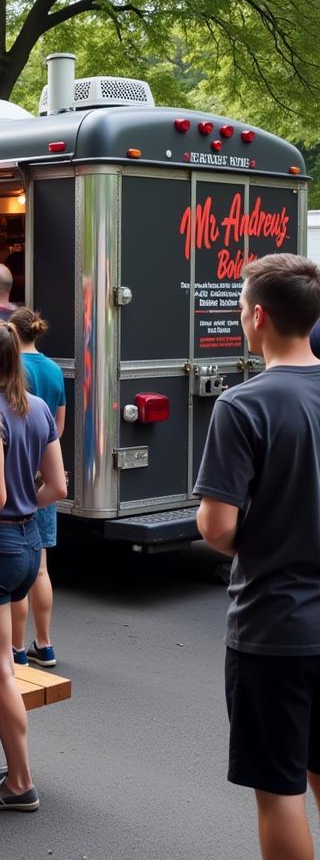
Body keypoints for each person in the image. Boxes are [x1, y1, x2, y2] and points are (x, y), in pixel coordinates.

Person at [195, 253, 320, 860]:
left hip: (274, 626)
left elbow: (217, 526)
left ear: (258, 317)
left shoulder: (243, 404)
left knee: (279, 792)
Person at [0, 316, 67, 813]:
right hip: (27, 543)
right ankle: (12, 771)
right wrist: (26, 505)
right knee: (1, 666)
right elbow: (59, 487)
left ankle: (19, 780)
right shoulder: (40, 406)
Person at [9, 308, 67, 668]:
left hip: (17, 476)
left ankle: (16, 649)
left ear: (13, 333)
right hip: (44, 475)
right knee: (41, 567)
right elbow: (56, 426)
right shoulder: (54, 368)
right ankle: (44, 644)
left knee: (16, 573)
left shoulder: (16, 369)